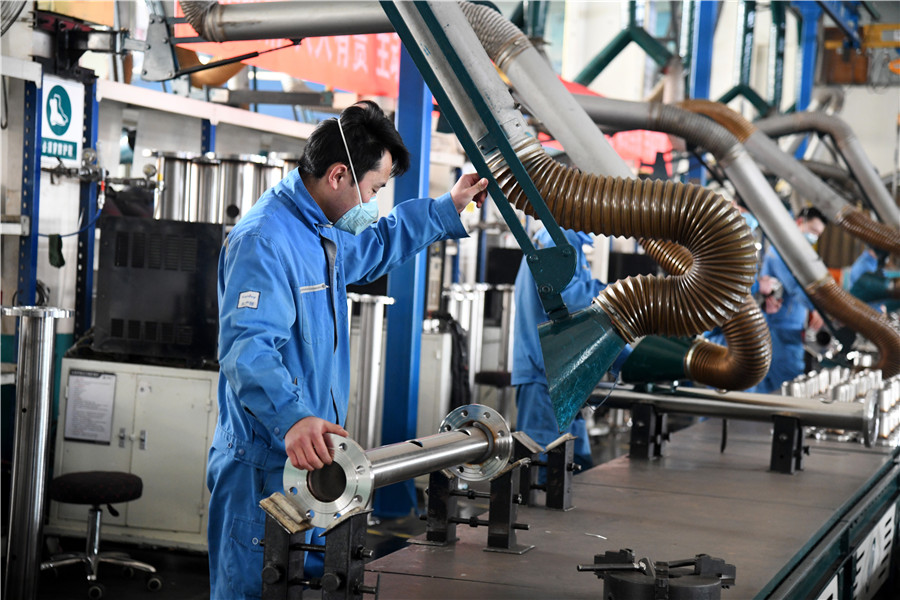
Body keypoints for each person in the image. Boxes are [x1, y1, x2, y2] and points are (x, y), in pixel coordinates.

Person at [208, 101, 488, 599]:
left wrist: (448, 209)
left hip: (310, 459)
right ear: (339, 174)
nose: (375, 200)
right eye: (376, 188)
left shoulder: (320, 233)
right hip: (264, 465)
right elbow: (247, 348)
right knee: (252, 588)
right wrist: (293, 417)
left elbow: (377, 244)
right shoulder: (266, 241)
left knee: (296, 585)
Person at [511, 226, 603, 473]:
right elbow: (571, 299)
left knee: (574, 467)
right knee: (545, 469)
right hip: (545, 375)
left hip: (562, 376)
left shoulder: (567, 240)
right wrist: (625, 293)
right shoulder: (558, 238)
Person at [755, 207, 827, 393]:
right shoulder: (782, 253)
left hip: (786, 328)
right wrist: (818, 309)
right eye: (812, 231)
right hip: (779, 329)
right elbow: (795, 287)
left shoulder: (794, 252)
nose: (814, 237)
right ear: (799, 223)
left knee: (768, 385)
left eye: (818, 234)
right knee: (787, 385)